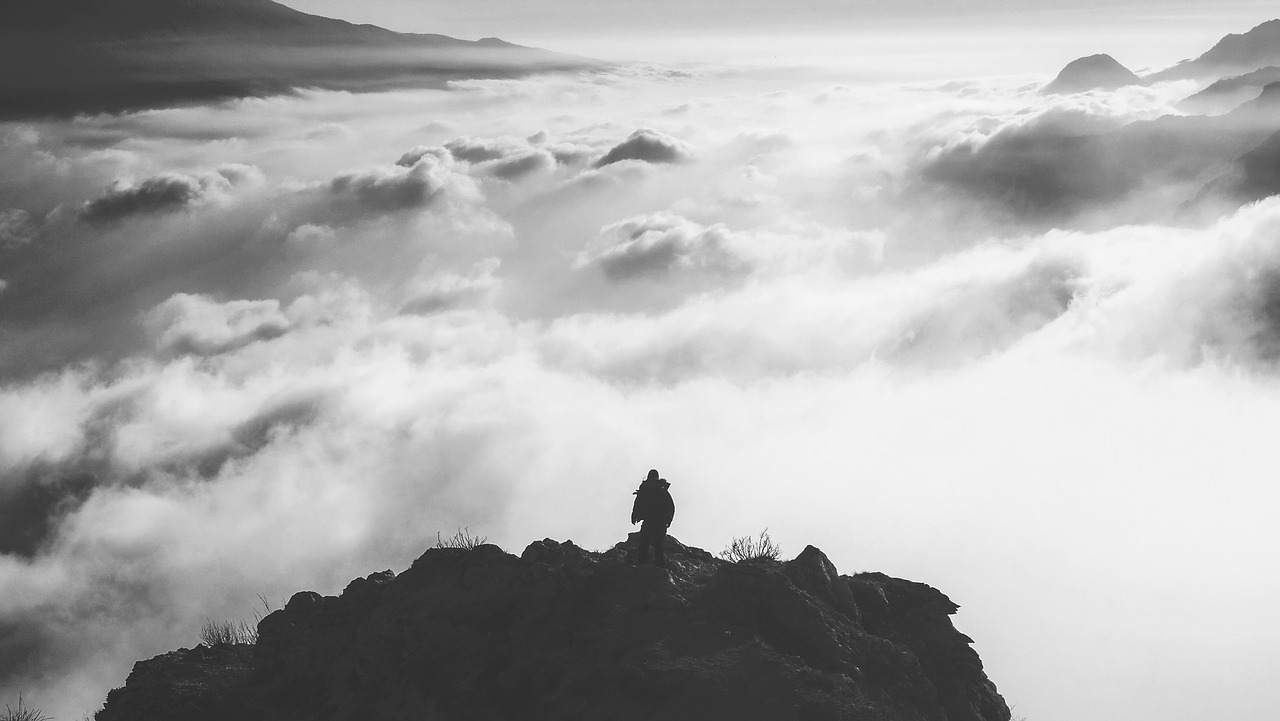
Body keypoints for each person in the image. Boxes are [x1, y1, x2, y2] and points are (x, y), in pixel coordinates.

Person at [631, 469, 675, 567]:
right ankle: (659, 566)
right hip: (660, 522)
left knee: (644, 544)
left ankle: (642, 565)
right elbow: (670, 506)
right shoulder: (661, 489)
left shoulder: (645, 488)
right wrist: (668, 520)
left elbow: (638, 503)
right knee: (658, 544)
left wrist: (634, 515)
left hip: (649, 520)